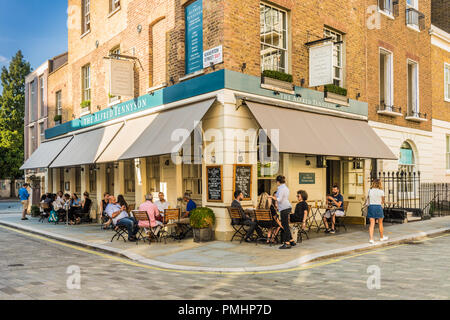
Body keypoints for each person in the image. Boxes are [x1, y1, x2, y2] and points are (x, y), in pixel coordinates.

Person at [271, 175, 295, 249]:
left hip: (284, 208)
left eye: (276, 182)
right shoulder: (286, 188)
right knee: (286, 225)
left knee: (285, 226)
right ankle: (291, 240)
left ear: (278, 182)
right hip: (287, 207)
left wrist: (272, 197)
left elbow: (279, 199)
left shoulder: (281, 189)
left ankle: (287, 243)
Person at [367, 179, 388, 244]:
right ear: (379, 184)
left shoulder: (369, 191)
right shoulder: (381, 191)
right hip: (378, 207)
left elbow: (368, 199)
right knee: (380, 223)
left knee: (372, 224)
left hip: (371, 207)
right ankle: (381, 237)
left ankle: (371, 239)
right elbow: (383, 201)